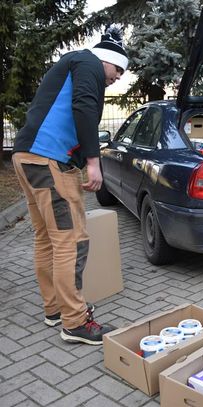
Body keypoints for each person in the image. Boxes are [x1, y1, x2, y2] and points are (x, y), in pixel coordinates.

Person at [11, 26, 128, 345]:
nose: (118, 77)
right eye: (118, 69)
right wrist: (93, 161)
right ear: (108, 59)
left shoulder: (72, 63)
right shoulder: (89, 64)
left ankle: (55, 309)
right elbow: (84, 108)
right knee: (71, 240)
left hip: (26, 156)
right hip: (50, 159)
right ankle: (75, 322)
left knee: (47, 238)